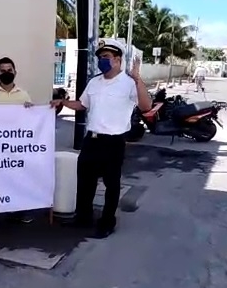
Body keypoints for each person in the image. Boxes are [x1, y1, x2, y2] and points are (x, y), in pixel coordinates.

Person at [50, 38, 152, 239]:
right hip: (92, 140)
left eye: (106, 57)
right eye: (100, 57)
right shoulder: (94, 82)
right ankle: (83, 218)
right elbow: (82, 104)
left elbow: (146, 107)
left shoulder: (129, 83)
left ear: (118, 60)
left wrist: (138, 80)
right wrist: (63, 102)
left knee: (111, 185)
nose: (101, 60)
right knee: (85, 182)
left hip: (113, 142)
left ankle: (107, 221)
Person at [0, 56, 33, 223]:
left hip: (18, 145)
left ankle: (20, 210)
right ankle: (0, 209)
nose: (6, 73)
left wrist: (30, 110)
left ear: (15, 72)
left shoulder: (23, 94)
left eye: (9, 70)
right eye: (3, 71)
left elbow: (31, 120)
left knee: (19, 177)